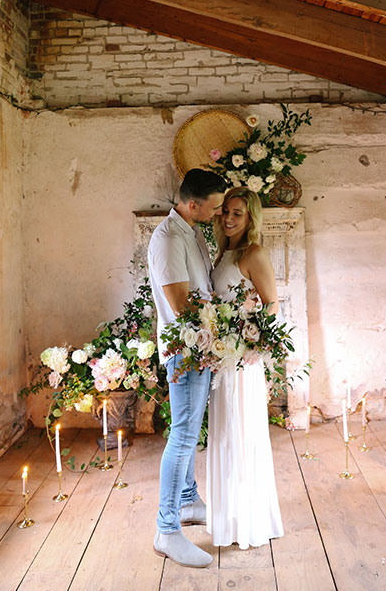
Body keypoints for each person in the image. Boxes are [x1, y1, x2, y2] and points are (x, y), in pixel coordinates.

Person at [148, 168, 226, 568]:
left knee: (191, 431)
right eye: (213, 207)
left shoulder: (192, 230)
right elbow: (181, 304)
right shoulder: (166, 238)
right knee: (181, 437)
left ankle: (188, 499)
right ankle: (167, 530)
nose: (217, 214)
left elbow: (202, 287)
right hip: (185, 351)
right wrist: (226, 318)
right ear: (192, 203)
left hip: (201, 347)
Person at [207, 186, 284, 549]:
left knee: (242, 434)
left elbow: (272, 305)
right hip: (223, 359)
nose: (228, 218)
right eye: (226, 211)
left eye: (237, 213)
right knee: (224, 435)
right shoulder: (225, 251)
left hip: (242, 360)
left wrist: (250, 340)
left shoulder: (254, 253)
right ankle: (229, 517)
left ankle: (249, 519)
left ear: (251, 217)